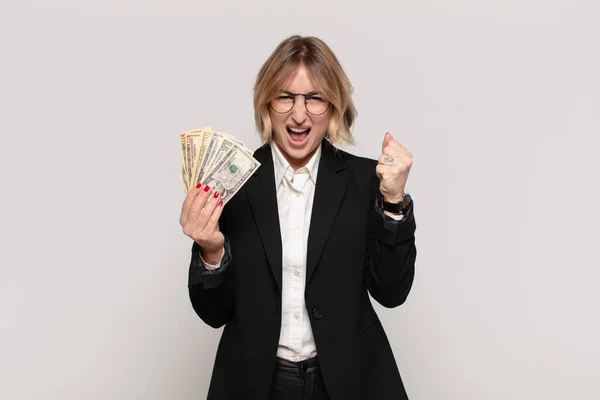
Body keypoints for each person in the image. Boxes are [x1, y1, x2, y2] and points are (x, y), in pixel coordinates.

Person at [179, 35, 417, 400]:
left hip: (348, 381)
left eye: (315, 98)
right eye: (285, 96)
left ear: (334, 106)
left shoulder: (367, 182)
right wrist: (211, 251)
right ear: (267, 103)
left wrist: (393, 202)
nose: (299, 113)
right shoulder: (231, 183)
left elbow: (391, 291)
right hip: (257, 384)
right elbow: (214, 313)